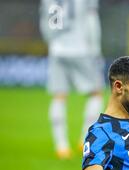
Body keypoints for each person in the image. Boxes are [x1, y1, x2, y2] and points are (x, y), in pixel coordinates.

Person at [39, 0, 104, 159]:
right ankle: (85, 139)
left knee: (59, 95)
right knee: (96, 93)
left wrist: (53, 43)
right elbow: (91, 20)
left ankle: (61, 146)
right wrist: (95, 48)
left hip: (57, 49)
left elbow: (44, 23)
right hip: (81, 48)